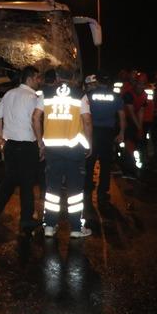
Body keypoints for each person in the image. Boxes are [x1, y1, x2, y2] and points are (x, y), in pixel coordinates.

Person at [0, 66, 45, 236]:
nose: (39, 81)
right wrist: (41, 143)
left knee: (9, 180)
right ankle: (26, 221)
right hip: (28, 146)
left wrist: (0, 135)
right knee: (27, 183)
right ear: (31, 78)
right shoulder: (33, 97)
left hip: (11, 146)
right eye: (38, 78)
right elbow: (36, 121)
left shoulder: (9, 94)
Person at [41, 67, 94, 238]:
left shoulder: (45, 93)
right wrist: (89, 144)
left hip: (52, 149)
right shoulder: (80, 95)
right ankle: (76, 229)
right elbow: (86, 121)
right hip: (74, 150)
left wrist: (39, 141)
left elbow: (35, 117)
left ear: (56, 77)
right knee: (75, 191)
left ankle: (49, 225)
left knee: (52, 189)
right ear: (72, 78)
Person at [85, 71, 126, 199]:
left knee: (90, 160)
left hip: (93, 131)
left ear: (97, 81)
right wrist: (122, 132)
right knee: (106, 162)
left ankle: (87, 185)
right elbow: (122, 116)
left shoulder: (89, 95)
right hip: (108, 133)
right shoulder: (116, 96)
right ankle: (103, 190)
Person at [121, 72, 149, 178]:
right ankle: (127, 170)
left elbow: (141, 112)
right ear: (135, 84)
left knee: (137, 143)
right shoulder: (128, 94)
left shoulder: (144, 95)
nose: (140, 86)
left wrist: (140, 128)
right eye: (139, 83)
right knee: (128, 145)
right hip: (124, 119)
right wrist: (138, 127)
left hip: (134, 120)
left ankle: (134, 167)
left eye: (143, 84)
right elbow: (131, 112)